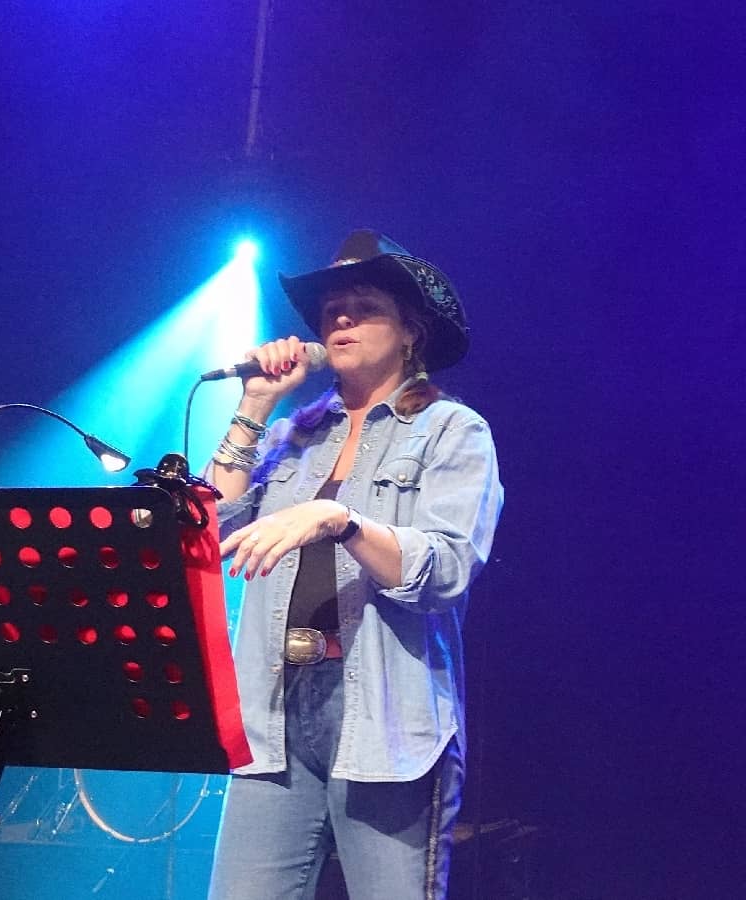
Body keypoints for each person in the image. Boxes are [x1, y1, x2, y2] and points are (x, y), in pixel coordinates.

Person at [204, 230, 503, 900]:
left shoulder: (454, 432)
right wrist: (255, 403)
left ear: (410, 332)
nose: (338, 317)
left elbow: (448, 565)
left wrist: (341, 520)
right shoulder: (293, 435)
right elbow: (211, 525)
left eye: (362, 305)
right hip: (275, 709)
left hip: (384, 716)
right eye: (331, 308)